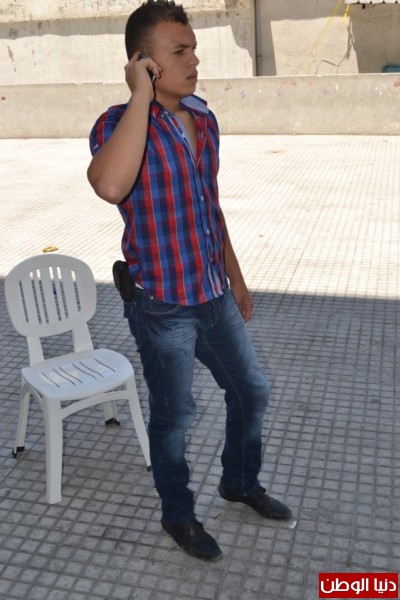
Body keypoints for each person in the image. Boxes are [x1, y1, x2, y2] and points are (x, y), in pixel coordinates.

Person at [87, 0, 292, 562]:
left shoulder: (203, 119)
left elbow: (210, 208)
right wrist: (140, 96)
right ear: (144, 62)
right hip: (162, 306)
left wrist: (236, 278)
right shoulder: (117, 124)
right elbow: (109, 186)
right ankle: (177, 514)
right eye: (179, 51)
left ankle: (240, 482)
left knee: (251, 389)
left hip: (212, 293)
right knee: (176, 416)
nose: (194, 60)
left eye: (194, 49)